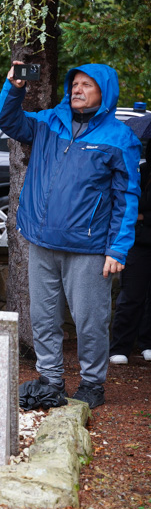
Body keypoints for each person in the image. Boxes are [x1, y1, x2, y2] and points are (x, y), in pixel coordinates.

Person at [0, 62, 141, 409]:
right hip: (41, 242)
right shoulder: (49, 122)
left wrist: (117, 250)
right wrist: (13, 88)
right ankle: (51, 379)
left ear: (104, 93)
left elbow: (127, 198)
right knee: (43, 318)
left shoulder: (120, 138)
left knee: (91, 321)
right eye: (75, 83)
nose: (78, 89)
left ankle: (92, 383)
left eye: (87, 85)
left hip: (88, 248)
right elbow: (9, 122)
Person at [109, 141, 151, 365]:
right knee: (131, 296)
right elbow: (130, 206)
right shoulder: (140, 173)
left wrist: (144, 217)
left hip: (142, 236)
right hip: (138, 244)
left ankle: (147, 343)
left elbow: (140, 210)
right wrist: (139, 216)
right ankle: (120, 346)